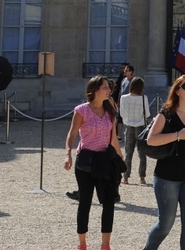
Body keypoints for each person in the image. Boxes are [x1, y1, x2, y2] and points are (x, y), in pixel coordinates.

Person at [142, 74, 185, 250]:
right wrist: (178, 136)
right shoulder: (166, 114)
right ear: (177, 90)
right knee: (165, 225)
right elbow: (151, 140)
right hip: (166, 176)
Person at [64, 75, 124, 250]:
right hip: (86, 161)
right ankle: (82, 244)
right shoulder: (81, 110)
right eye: (105, 87)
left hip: (105, 161)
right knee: (85, 202)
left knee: (109, 202)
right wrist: (67, 154)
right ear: (95, 90)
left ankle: (105, 245)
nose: (108, 90)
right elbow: (72, 134)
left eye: (108, 87)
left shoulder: (110, 109)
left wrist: (120, 157)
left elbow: (113, 137)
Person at [120, 77, 151, 186]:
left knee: (128, 153)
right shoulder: (143, 98)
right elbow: (147, 114)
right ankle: (142, 178)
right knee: (142, 153)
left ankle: (126, 177)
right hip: (140, 127)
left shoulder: (124, 98)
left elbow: (122, 114)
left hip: (129, 126)